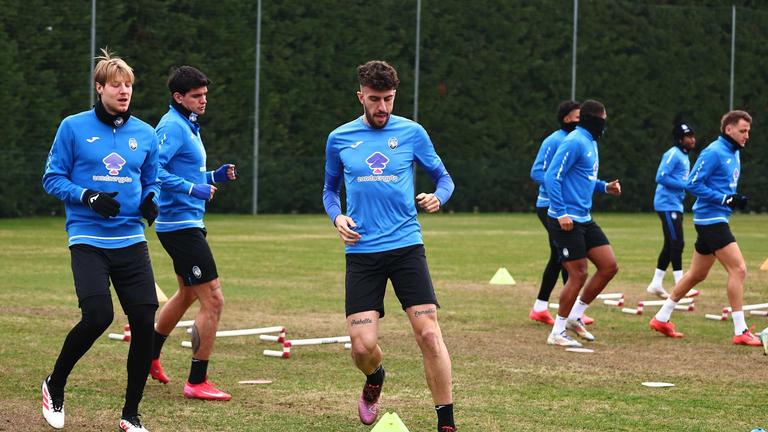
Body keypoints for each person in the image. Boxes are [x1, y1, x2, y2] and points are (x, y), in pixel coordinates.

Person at [322, 60, 457, 432]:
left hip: (406, 246)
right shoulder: (340, 138)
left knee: (429, 333)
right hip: (362, 252)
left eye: (389, 99)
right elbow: (330, 190)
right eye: (375, 99)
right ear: (360, 97)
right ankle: (375, 378)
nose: (383, 108)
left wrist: (438, 197)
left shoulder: (412, 133)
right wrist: (337, 217)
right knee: (362, 347)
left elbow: (444, 178)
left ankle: (446, 422)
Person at [41, 48, 159, 432]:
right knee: (98, 316)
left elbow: (152, 180)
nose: (124, 92)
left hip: (131, 240)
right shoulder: (72, 127)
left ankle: (131, 414)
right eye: (116, 85)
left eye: (128, 85)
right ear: (99, 88)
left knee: (144, 322)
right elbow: (52, 178)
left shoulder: (145, 133)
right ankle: (54, 385)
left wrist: (150, 201)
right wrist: (87, 196)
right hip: (88, 238)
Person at [148, 66, 237, 401]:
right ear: (178, 97)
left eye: (204, 95)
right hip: (179, 226)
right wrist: (190, 188)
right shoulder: (171, 125)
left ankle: (148, 357)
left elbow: (188, 170)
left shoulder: (187, 124)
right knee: (213, 300)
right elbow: (154, 169)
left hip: (188, 223)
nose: (203, 101)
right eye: (196, 96)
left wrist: (214, 176)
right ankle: (196, 381)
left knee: (186, 294)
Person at [650, 110, 761, 346]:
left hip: (717, 218)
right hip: (710, 220)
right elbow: (693, 184)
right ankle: (740, 330)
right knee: (739, 270)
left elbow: (721, 186)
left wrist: (732, 198)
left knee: (697, 274)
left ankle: (661, 317)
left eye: (748, 131)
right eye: (743, 131)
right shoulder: (713, 152)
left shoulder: (734, 152)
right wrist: (723, 199)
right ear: (728, 129)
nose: (746, 136)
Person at [543, 99, 621, 348]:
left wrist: (605, 187)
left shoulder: (590, 143)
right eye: (603, 119)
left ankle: (575, 316)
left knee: (609, 266)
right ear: (592, 120)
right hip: (565, 219)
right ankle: (557, 332)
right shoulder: (574, 141)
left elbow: (585, 178)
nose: (604, 124)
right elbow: (551, 176)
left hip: (584, 218)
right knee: (578, 273)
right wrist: (561, 212)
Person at [528, 100, 589, 325]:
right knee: (566, 256)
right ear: (566, 119)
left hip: (568, 206)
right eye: (577, 116)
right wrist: (559, 183)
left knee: (560, 256)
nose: (581, 120)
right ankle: (567, 311)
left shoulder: (579, 140)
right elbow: (536, 172)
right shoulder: (553, 140)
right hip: (549, 206)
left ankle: (542, 308)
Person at [646, 121, 698, 298]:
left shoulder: (684, 156)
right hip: (666, 204)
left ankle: (656, 284)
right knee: (678, 243)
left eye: (692, 136)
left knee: (670, 244)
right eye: (688, 137)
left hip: (676, 204)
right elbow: (660, 176)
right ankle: (681, 284)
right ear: (679, 139)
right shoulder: (673, 153)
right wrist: (685, 185)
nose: (692, 140)